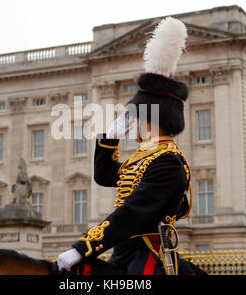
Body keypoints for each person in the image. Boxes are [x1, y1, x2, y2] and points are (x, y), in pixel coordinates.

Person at [57, 17, 197, 275]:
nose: (133, 124)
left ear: (153, 119)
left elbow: (133, 212)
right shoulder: (143, 160)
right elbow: (105, 176)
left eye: (137, 117)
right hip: (122, 251)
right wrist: (110, 137)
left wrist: (83, 247)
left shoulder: (168, 162)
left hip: (149, 254)